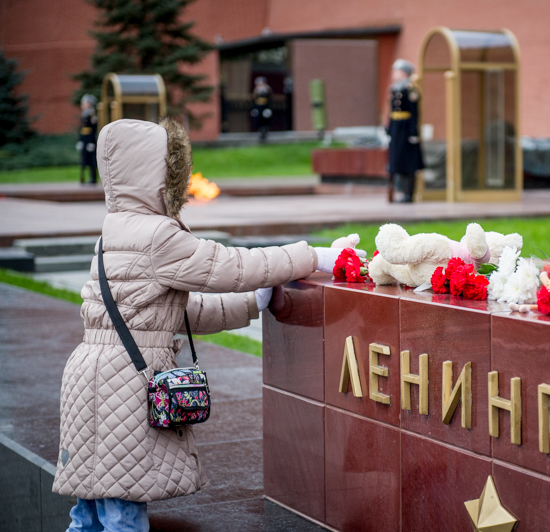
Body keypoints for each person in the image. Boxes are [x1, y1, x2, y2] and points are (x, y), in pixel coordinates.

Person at [51, 118, 356, 531]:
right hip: (122, 387)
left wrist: (253, 300)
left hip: (88, 380)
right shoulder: (157, 235)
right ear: (156, 174)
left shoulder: (114, 232)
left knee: (87, 514)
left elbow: (176, 315)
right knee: (123, 516)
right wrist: (310, 257)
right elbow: (229, 265)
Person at [386, 59, 424, 203]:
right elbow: (391, 113)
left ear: (404, 73)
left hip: (406, 129)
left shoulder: (410, 89)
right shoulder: (395, 89)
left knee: (409, 162)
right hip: (396, 129)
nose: (394, 74)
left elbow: (414, 113)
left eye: (397, 71)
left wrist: (414, 133)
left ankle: (409, 194)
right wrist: (389, 131)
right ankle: (399, 192)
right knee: (396, 162)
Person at [77, 94, 98, 185]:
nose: (83, 105)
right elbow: (82, 129)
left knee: (92, 160)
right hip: (84, 139)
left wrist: (91, 142)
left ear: (89, 104)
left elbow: (93, 129)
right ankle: (82, 177)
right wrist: (80, 140)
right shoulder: (84, 114)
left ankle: (93, 178)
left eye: (85, 103)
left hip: (90, 140)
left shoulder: (91, 114)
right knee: (83, 159)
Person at [251, 76, 273, 142]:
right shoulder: (256, 90)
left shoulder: (267, 89)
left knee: (265, 119)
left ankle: (265, 131)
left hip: (265, 107)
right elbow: (254, 98)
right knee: (258, 119)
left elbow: (270, 97)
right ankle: (260, 132)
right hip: (258, 107)